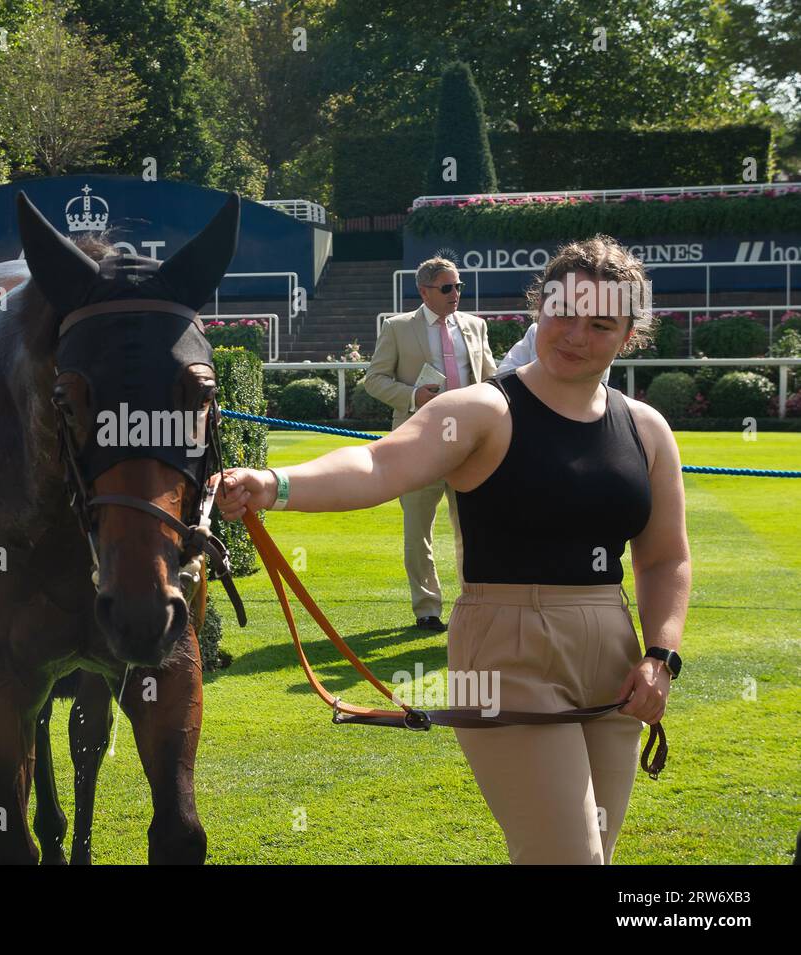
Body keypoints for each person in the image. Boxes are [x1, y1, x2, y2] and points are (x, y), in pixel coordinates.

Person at [220, 235, 689, 864]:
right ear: (539, 309)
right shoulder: (482, 410)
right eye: (564, 314)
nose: (576, 335)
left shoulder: (646, 429)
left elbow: (665, 558)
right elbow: (378, 465)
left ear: (629, 335)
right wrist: (275, 484)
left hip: (615, 651)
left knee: (592, 856)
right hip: (506, 649)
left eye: (601, 324)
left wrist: (661, 656)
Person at [362, 257, 498, 631]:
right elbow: (374, 379)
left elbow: (491, 380)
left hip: (470, 445)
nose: (456, 294)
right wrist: (413, 396)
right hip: (419, 443)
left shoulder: (476, 326)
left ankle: (475, 603)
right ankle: (427, 609)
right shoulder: (397, 327)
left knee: (474, 531)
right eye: (447, 288)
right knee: (417, 532)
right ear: (424, 292)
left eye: (458, 286)